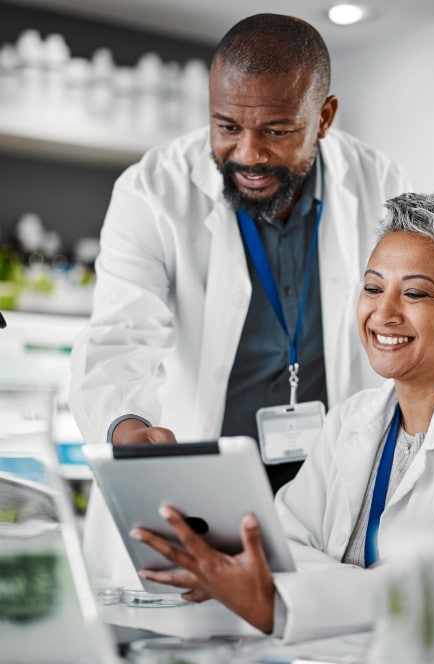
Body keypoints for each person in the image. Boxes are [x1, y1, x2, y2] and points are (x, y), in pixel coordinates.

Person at [130, 192, 434, 644]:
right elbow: (285, 550)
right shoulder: (351, 420)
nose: (384, 313)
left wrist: (293, 597)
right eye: (373, 288)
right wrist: (330, 587)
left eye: (415, 293)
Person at [69, 13, 409, 494]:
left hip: (334, 486)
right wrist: (129, 429)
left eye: (276, 131)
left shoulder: (381, 184)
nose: (248, 154)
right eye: (227, 125)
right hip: (200, 480)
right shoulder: (150, 191)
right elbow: (119, 337)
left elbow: (423, 328)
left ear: (324, 118)